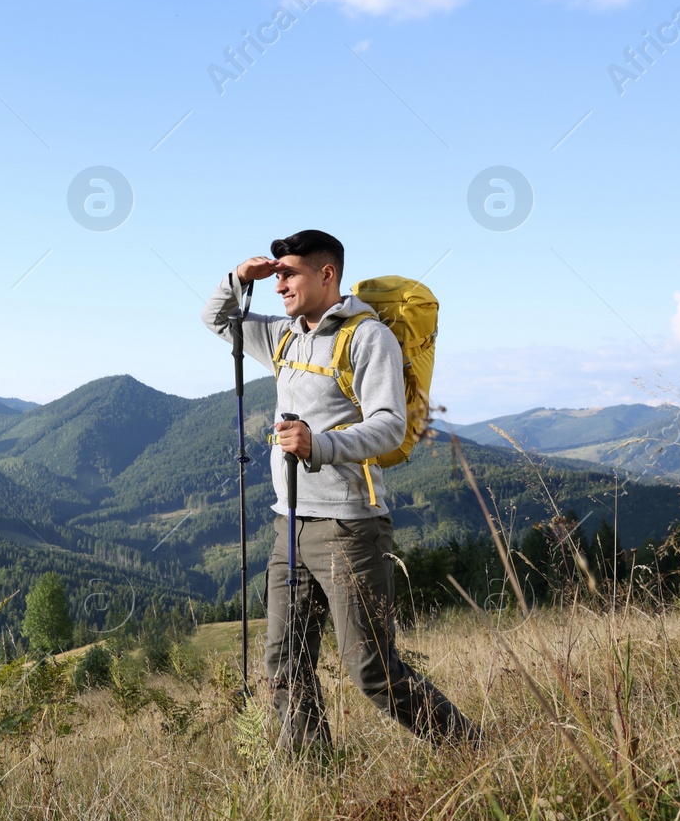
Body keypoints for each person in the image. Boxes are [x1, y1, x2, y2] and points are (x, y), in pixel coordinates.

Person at [202, 229, 477, 750]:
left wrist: (317, 445)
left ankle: (472, 748)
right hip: (290, 523)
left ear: (327, 274)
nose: (280, 282)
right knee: (284, 664)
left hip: (349, 526)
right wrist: (240, 278)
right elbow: (217, 320)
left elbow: (391, 426)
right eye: (276, 273)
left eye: (290, 272)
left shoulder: (368, 338)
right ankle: (308, 776)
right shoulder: (285, 335)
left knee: (372, 670)